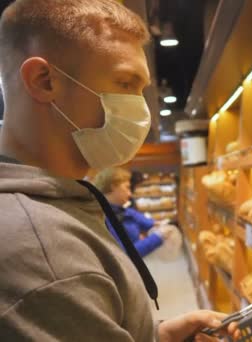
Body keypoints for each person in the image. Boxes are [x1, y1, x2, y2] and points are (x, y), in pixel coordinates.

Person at [0, 0, 236, 341]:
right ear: (44, 81)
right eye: (126, 83)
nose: (144, 113)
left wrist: (155, 336)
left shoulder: (60, 202)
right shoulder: (40, 251)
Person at [94, 167, 171, 258]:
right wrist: (158, 236)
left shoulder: (117, 209)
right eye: (127, 187)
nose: (130, 194)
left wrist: (152, 223)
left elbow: (132, 214)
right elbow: (123, 255)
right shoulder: (102, 218)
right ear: (113, 186)